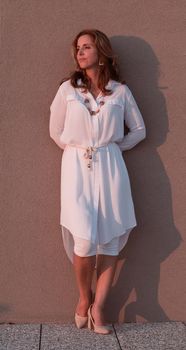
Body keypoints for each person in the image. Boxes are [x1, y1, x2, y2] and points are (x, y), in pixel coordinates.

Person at [49, 29, 146, 334]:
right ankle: (83, 298)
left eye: (87, 47)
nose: (80, 52)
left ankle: (99, 307)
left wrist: (111, 149)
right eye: (78, 47)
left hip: (110, 167)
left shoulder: (120, 92)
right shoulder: (67, 90)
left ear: (101, 53)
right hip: (77, 168)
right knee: (84, 241)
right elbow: (56, 130)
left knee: (110, 240)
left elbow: (138, 130)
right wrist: (80, 151)